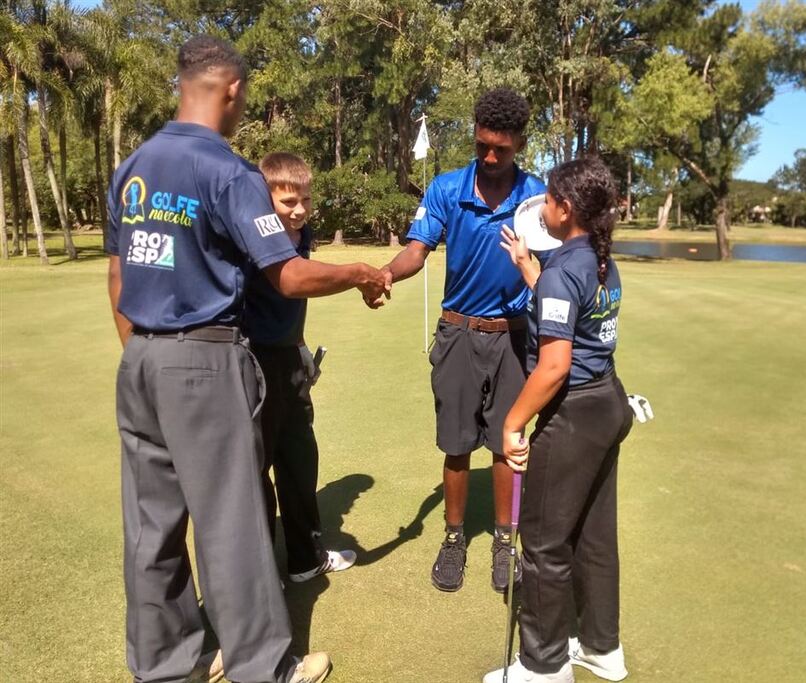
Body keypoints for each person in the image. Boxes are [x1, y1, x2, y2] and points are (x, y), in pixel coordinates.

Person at [106, 36, 389, 683]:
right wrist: (357, 270)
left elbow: (118, 280)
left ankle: (167, 662)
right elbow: (286, 274)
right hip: (203, 359)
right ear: (230, 90)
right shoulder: (226, 171)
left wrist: (147, 357)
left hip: (140, 360)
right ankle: (264, 666)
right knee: (231, 520)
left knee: (152, 527)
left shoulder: (135, 167)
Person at [381, 88, 545, 593]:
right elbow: (416, 251)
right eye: (481, 146)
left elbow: (557, 265)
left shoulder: (536, 196)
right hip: (458, 332)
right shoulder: (448, 190)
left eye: (501, 148)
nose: (490, 157)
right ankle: (454, 538)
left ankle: (503, 538)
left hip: (516, 338)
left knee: (506, 444)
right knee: (455, 445)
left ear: (519, 142)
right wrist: (384, 273)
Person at [484, 157, 633, 683]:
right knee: (594, 535)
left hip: (572, 414)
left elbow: (553, 367)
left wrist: (512, 424)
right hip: (607, 403)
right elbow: (569, 304)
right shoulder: (597, 258)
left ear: (565, 208)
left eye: (548, 199)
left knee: (545, 544)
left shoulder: (566, 271)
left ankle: (543, 666)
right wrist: (533, 271)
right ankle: (601, 649)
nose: (542, 207)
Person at [244, 152, 357, 583]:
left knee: (299, 459)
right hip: (254, 362)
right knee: (256, 470)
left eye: (306, 200)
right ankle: (255, 573)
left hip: (291, 359)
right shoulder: (255, 235)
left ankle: (305, 559)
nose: (299, 210)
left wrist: (302, 346)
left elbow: (295, 298)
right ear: (265, 198)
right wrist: (357, 275)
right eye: (288, 201)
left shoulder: (303, 232)